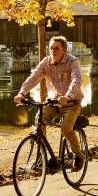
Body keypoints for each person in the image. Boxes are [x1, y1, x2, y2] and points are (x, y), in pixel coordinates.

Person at [14, 35, 85, 170]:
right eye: (51, 48)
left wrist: (68, 96)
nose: (53, 51)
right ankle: (43, 158)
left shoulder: (72, 62)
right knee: (39, 121)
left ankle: (79, 155)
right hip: (54, 102)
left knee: (65, 129)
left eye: (56, 48)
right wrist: (22, 93)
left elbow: (77, 81)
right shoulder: (46, 62)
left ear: (64, 50)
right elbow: (33, 78)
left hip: (72, 103)